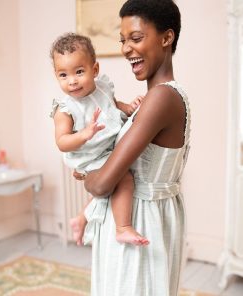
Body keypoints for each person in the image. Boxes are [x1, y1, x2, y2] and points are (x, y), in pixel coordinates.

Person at [73, 0, 191, 295]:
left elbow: (102, 184)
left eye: (136, 38)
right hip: (148, 214)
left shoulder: (161, 99)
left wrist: (87, 175)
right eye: (123, 40)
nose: (126, 48)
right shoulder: (157, 98)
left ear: (166, 37)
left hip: (139, 220)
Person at [50, 32, 149, 246]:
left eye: (79, 72)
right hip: (89, 156)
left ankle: (81, 218)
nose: (72, 81)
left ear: (94, 70)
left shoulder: (101, 88)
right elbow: (62, 141)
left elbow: (112, 105)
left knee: (111, 184)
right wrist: (84, 134)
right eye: (63, 75)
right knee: (123, 179)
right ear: (56, 75)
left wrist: (128, 108)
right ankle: (123, 228)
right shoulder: (66, 109)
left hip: (106, 148)